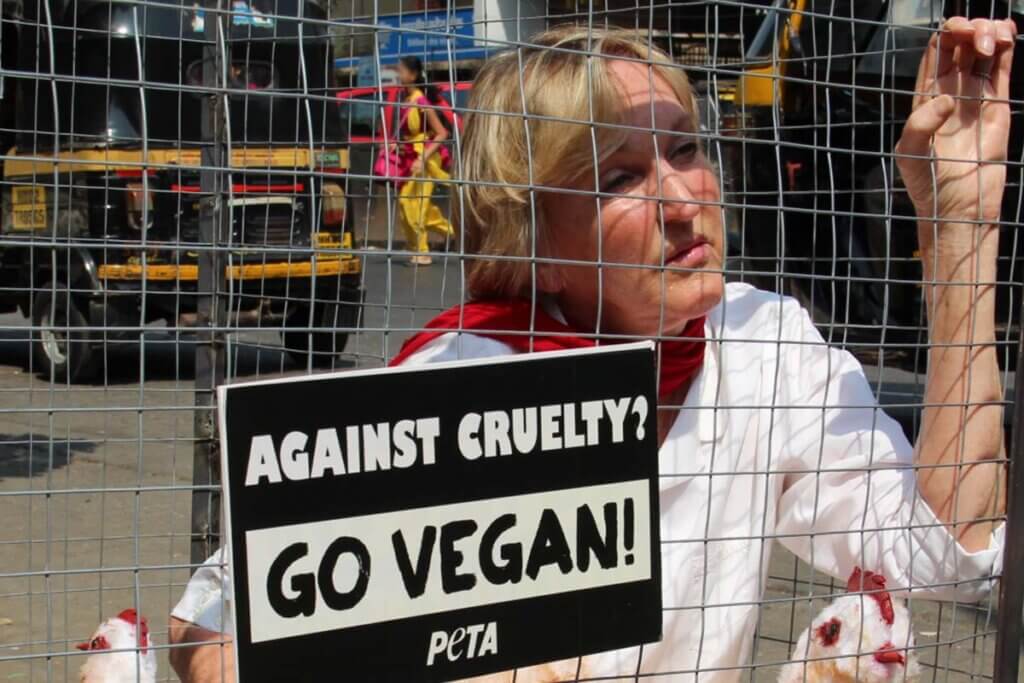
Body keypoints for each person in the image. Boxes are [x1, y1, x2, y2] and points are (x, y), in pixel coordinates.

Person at [169, 19, 1012, 681]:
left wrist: (961, 227)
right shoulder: (457, 384)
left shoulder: (761, 344)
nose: (683, 200)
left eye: (684, 149)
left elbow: (946, 553)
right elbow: (208, 624)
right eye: (619, 178)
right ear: (531, 234)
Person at [393, 55, 455, 266]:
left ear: (413, 75)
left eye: (401, 70)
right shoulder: (405, 99)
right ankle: (453, 233)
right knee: (407, 205)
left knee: (415, 206)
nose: (398, 74)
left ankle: (422, 251)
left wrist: (423, 157)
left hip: (423, 161)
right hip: (408, 160)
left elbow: (441, 133)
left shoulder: (420, 100)